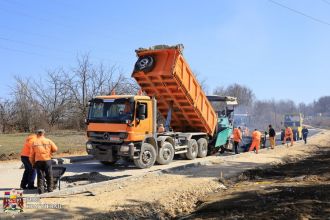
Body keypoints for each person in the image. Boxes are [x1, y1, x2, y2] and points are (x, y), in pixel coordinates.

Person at [29, 129, 58, 194]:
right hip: (47, 160)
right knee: (49, 174)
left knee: (40, 176)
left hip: (38, 161)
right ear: (43, 134)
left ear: (37, 134)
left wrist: (32, 163)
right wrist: (50, 152)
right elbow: (55, 149)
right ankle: (50, 189)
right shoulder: (48, 141)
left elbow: (31, 155)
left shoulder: (34, 142)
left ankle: (40, 190)